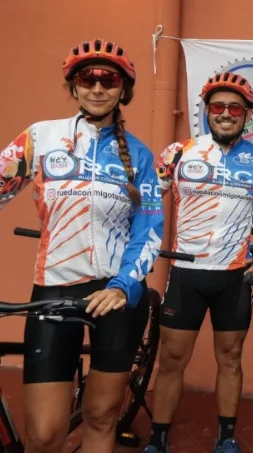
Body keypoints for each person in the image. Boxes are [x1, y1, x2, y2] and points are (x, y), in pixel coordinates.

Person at [0, 39, 163, 453]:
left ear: (123, 90)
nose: (97, 87)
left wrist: (123, 285)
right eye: (87, 78)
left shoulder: (140, 156)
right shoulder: (41, 137)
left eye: (109, 79)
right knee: (42, 434)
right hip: (55, 287)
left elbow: (148, 230)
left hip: (117, 294)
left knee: (102, 416)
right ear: (73, 86)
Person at [146, 72, 253, 453]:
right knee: (171, 359)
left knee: (231, 359)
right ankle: (158, 438)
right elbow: (149, 201)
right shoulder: (178, 153)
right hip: (186, 274)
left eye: (235, 108)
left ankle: (226, 438)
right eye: (218, 106)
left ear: (247, 114)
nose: (226, 114)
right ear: (207, 111)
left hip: (234, 278)